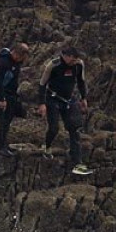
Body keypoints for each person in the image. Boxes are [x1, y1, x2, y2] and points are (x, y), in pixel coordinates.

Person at [38, 46, 93, 175]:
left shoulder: (79, 64)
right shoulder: (53, 65)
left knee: (74, 128)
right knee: (54, 128)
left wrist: (83, 98)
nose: (74, 62)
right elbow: (42, 84)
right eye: (72, 60)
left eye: (76, 60)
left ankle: (77, 163)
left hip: (69, 99)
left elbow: (81, 81)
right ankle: (46, 146)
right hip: (52, 98)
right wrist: (42, 104)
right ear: (65, 56)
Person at [0, 43, 30, 157]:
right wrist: (1, 99)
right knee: (3, 121)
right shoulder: (4, 63)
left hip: (12, 95)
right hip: (3, 95)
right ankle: (1, 147)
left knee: (9, 120)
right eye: (21, 57)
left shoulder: (16, 62)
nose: (22, 60)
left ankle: (4, 144)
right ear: (16, 54)